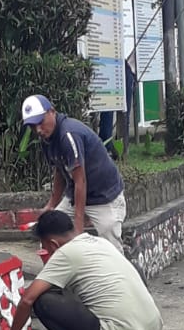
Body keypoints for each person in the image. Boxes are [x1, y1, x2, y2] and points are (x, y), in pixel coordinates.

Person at [5, 210, 162, 330]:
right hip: (148, 329)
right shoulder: (100, 242)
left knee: (42, 301)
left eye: (45, 247)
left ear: (53, 244)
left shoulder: (65, 253)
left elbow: (27, 299)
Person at [21, 93, 126, 252]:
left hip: (104, 196)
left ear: (52, 112)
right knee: (50, 230)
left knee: (112, 246)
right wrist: (52, 205)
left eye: (40, 122)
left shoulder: (68, 135)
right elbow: (59, 170)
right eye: (32, 126)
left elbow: (80, 181)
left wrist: (78, 227)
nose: (38, 129)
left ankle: (122, 273)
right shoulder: (47, 139)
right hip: (75, 195)